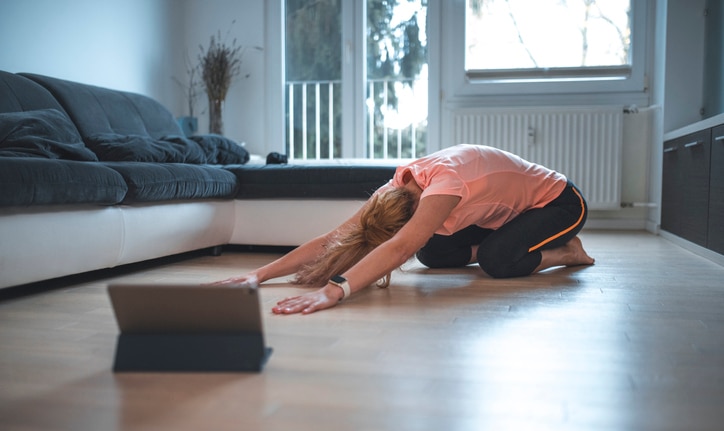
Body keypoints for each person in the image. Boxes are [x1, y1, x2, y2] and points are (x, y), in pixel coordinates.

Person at [214, 144, 595, 314]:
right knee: (431, 252)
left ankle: (565, 252)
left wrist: (336, 290)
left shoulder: (445, 184)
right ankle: (508, 243)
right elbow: (334, 238)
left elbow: (399, 247)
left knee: (498, 261)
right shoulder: (395, 185)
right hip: (505, 217)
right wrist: (259, 274)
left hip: (559, 202)